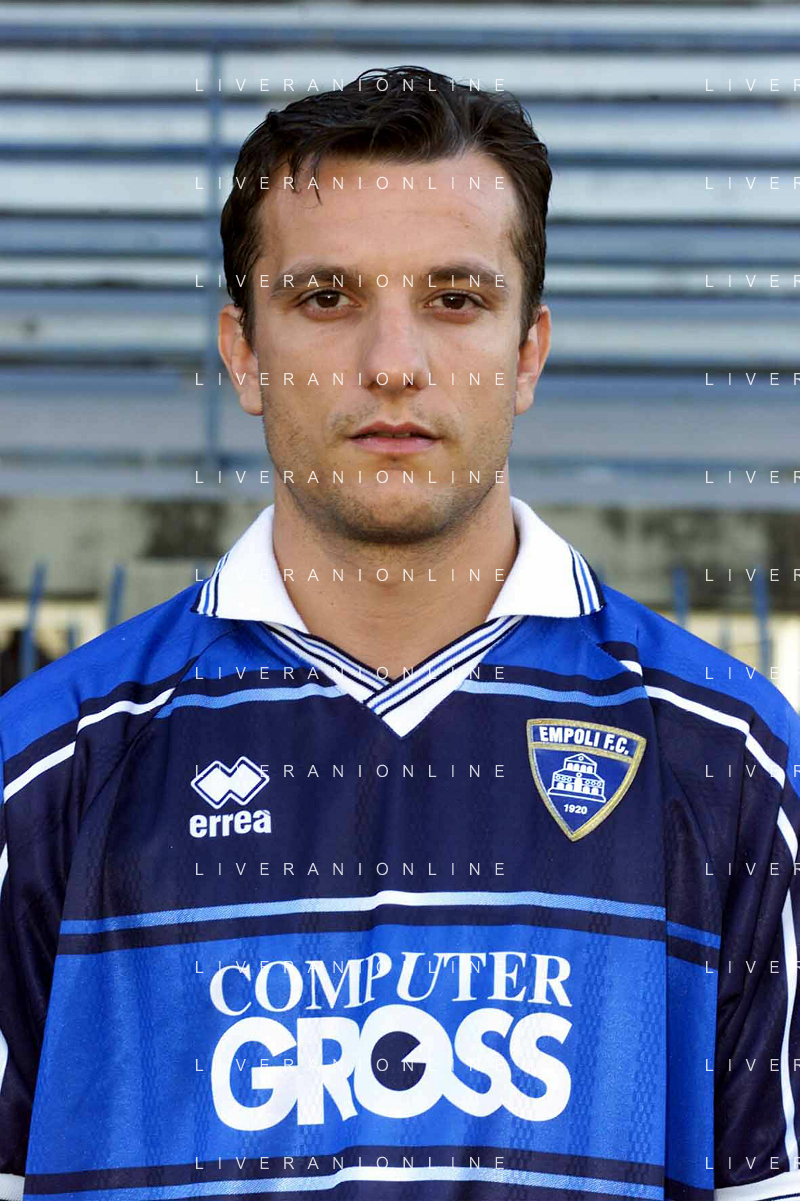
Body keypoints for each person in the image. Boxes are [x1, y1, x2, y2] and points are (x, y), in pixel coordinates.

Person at [1, 64, 799, 1201]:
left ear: (528, 353)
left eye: (454, 298)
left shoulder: (730, 761)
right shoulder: (46, 770)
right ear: (244, 354)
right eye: (326, 297)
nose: (391, 363)